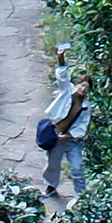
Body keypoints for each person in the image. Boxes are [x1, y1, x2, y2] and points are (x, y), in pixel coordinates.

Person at [41, 44, 91, 198]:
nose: (83, 89)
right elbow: (62, 76)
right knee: (53, 164)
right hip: (56, 134)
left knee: (77, 167)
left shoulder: (86, 106)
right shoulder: (67, 91)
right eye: (82, 85)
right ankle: (51, 187)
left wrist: (69, 136)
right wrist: (61, 58)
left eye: (87, 87)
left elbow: (83, 126)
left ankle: (81, 196)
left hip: (72, 140)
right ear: (77, 85)